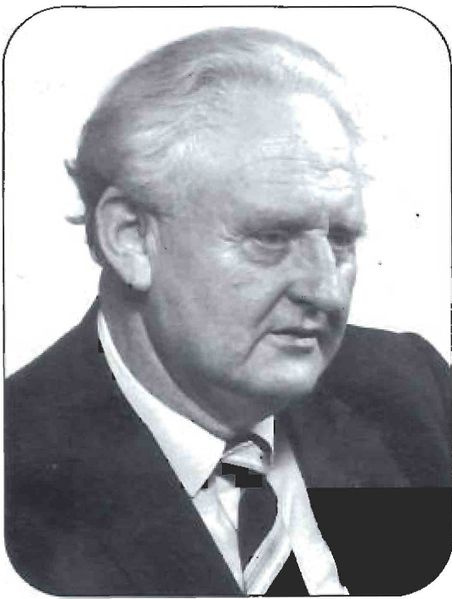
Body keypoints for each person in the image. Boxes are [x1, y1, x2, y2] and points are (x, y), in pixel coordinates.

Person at [5, 27, 451, 597]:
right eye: (271, 238)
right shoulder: (18, 460)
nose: (326, 290)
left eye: (340, 239)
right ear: (131, 238)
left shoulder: (413, 390)